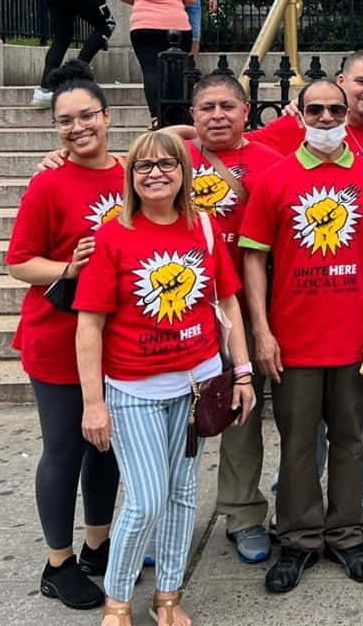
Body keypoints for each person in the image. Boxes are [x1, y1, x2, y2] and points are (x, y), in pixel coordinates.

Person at [76, 131, 255, 626]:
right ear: (132, 177)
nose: (155, 173)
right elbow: (89, 324)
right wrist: (93, 403)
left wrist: (241, 372)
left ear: (183, 172)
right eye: (143, 166)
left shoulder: (203, 228)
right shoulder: (113, 235)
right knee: (146, 500)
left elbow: (226, 302)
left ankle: (169, 596)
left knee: (182, 495)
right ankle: (117, 598)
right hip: (134, 389)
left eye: (166, 164)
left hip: (196, 386)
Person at [238, 79, 363, 593]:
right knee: (297, 442)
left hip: (357, 336)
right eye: (317, 110)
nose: (328, 118)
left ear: (347, 113)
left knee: (352, 439)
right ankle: (299, 537)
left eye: (336, 108)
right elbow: (253, 257)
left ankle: (347, 533)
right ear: (301, 115)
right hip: (295, 338)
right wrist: (262, 330)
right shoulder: (276, 179)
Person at [5, 59, 122, 610]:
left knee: (106, 449)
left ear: (107, 116)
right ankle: (58, 563)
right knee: (64, 449)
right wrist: (69, 268)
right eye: (65, 121)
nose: (78, 128)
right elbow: (19, 262)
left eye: (87, 116)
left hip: (117, 340)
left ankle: (98, 544)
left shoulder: (133, 173)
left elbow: (185, 139)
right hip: (57, 338)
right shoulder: (48, 184)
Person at [176, 73, 282, 565]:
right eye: (207, 108)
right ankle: (165, 516)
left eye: (227, 106)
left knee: (244, 411)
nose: (217, 115)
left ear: (246, 112)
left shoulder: (271, 163)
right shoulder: (173, 159)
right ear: (192, 116)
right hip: (185, 305)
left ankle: (242, 513)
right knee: (176, 419)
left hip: (255, 302)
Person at [119, 0, 196, 128]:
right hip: (176, 24)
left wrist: (143, 2)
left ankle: (156, 116)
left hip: (143, 24)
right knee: (179, 71)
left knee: (150, 71)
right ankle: (178, 115)